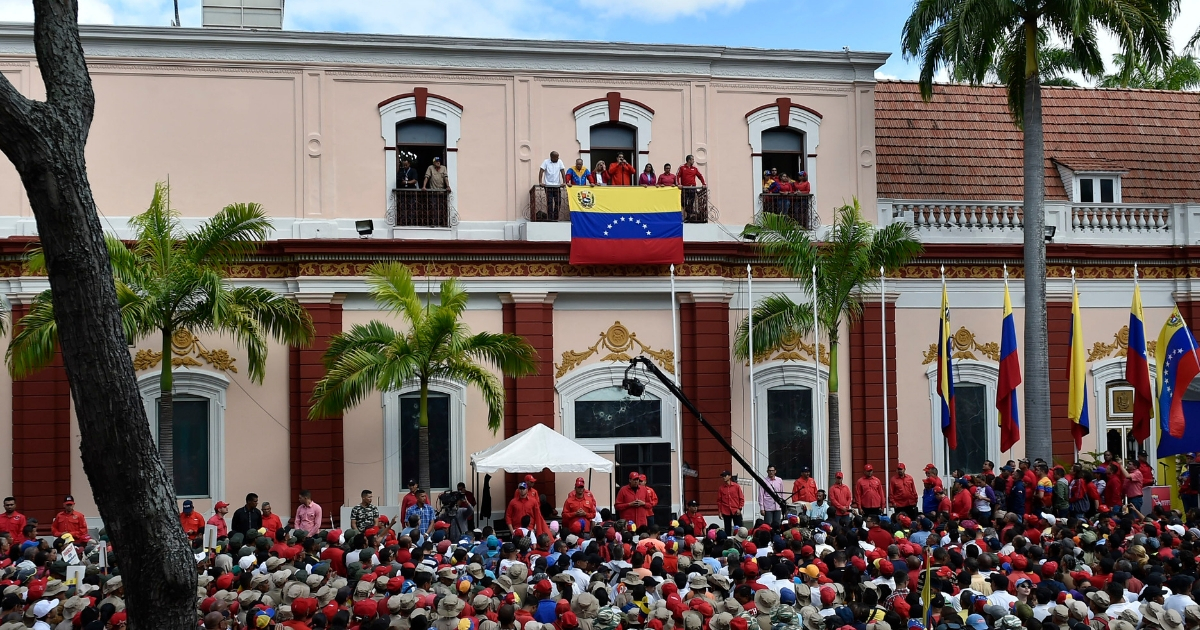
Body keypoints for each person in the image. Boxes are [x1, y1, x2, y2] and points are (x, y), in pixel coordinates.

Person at [538, 151, 567, 220]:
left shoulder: (560, 162)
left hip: (557, 186)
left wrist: (564, 182)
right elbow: (541, 171)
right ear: (552, 157)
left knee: (558, 201)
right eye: (556, 157)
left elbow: (562, 171)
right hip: (548, 186)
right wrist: (540, 182)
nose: (558, 158)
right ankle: (550, 217)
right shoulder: (546, 162)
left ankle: (556, 217)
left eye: (558, 157)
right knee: (550, 202)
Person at [676, 155, 706, 220]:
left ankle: (689, 216)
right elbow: (677, 176)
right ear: (689, 160)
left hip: (692, 188)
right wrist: (678, 184)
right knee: (683, 202)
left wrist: (703, 183)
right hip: (685, 188)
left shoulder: (695, 168)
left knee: (691, 203)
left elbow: (700, 176)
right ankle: (690, 212)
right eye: (692, 159)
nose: (693, 161)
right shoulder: (682, 167)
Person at [716, 470, 744, 534]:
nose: (723, 477)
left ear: (729, 476)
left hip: (735, 511)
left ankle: (737, 540)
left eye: (725, 476)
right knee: (727, 528)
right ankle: (728, 542)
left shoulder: (736, 486)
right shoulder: (721, 488)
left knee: (737, 528)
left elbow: (741, 498)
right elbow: (719, 501)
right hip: (726, 511)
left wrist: (739, 508)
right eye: (723, 476)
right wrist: (720, 512)